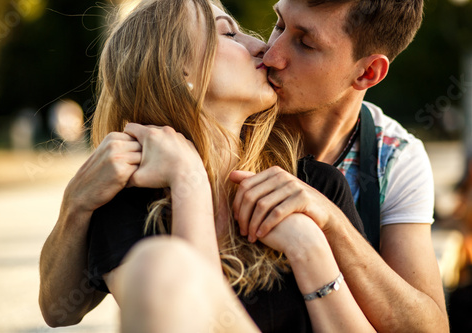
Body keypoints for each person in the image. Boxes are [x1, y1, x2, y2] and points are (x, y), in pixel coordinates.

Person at [39, 0, 449, 332]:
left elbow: (427, 327)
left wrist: (317, 242)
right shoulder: (132, 206)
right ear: (180, 69)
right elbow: (59, 311)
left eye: (305, 42)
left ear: (367, 72)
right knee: (159, 267)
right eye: (275, 25)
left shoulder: (351, 172)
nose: (268, 51)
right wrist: (81, 204)